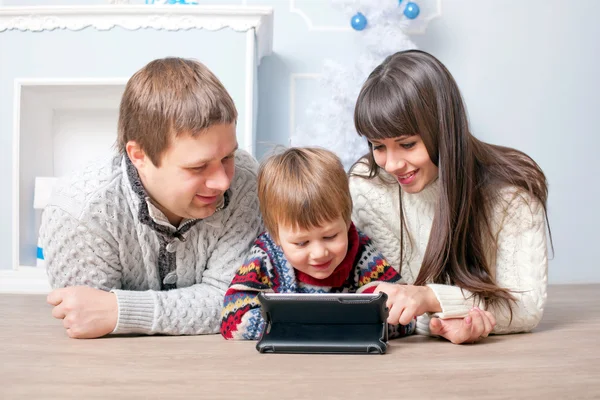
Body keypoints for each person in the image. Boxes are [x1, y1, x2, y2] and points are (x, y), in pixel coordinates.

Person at [40, 57, 263, 339]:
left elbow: (236, 305)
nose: (223, 180)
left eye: (228, 156)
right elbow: (85, 319)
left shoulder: (246, 181)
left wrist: (121, 311)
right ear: (139, 156)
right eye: (198, 167)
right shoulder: (78, 210)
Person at [349, 50, 550, 344]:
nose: (391, 164)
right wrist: (447, 317)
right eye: (378, 146)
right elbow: (358, 290)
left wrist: (432, 299)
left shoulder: (510, 195)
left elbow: (525, 306)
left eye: (407, 144)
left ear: (443, 128)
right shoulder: (367, 184)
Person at [220, 147, 415, 340]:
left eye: (330, 236)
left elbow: (407, 316)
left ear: (347, 222)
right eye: (302, 242)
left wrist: (301, 324)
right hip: (285, 365)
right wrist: (329, 325)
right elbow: (232, 320)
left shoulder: (363, 254)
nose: (319, 253)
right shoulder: (266, 254)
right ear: (276, 236)